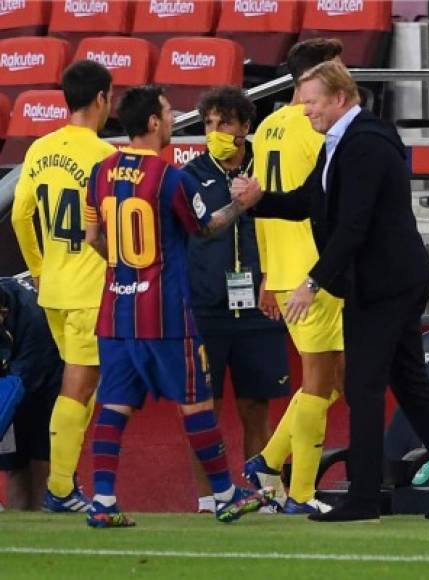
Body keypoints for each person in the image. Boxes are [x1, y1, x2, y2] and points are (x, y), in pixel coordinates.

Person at [232, 59, 429, 522]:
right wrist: (259, 201)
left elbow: (352, 226)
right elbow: (309, 201)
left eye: (312, 102)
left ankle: (365, 498)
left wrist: (313, 283)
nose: (304, 111)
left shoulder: (364, 144)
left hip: (384, 283)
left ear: (340, 98)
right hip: (387, 279)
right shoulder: (341, 142)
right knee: (409, 386)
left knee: (364, 385)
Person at [84, 84, 274, 528]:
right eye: (169, 114)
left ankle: (104, 500)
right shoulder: (171, 178)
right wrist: (241, 204)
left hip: (115, 311)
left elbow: (92, 238)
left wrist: (124, 272)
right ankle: (226, 495)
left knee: (113, 405)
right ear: (152, 122)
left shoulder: (101, 171)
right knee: (195, 404)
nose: (173, 120)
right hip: (165, 314)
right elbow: (207, 229)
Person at [243, 38, 345, 515]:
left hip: (284, 270)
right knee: (320, 383)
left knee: (335, 379)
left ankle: (269, 461)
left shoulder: (264, 129)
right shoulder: (317, 126)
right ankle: (297, 490)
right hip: (317, 273)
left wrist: (267, 272)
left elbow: (258, 204)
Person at [11, 60, 115, 512]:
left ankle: (65, 480)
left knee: (79, 387)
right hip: (89, 290)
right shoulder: (105, 156)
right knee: (79, 386)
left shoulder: (39, 148)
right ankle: (59, 488)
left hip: (51, 289)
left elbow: (19, 215)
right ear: (100, 99)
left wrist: (37, 268)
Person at [185, 86, 290, 514]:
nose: (215, 131)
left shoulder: (267, 170)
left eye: (224, 123)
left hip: (258, 307)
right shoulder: (190, 175)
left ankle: (264, 495)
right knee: (203, 409)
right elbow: (195, 231)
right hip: (205, 307)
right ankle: (210, 498)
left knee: (255, 406)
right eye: (208, 123)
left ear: (245, 126)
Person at [0, 277, 63, 510]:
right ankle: (19, 527)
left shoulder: (33, 320)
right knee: (15, 466)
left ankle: (43, 523)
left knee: (41, 462)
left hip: (46, 381)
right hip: (11, 379)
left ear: (3, 313)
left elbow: (15, 387)